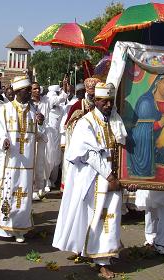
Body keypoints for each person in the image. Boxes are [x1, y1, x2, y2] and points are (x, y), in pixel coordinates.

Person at [53, 82, 134, 279]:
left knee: (110, 218)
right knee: (97, 218)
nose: (107, 105)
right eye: (104, 101)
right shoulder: (86, 122)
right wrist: (109, 176)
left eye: (110, 101)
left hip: (113, 177)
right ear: (96, 101)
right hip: (95, 179)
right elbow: (90, 154)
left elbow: (122, 146)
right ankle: (101, 260)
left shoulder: (115, 120)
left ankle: (103, 254)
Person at [0, 76, 45, 243]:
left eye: (30, 90)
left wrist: (41, 123)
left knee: (23, 195)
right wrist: (3, 140)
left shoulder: (34, 111)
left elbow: (41, 136)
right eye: (26, 90)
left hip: (27, 163)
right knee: (7, 192)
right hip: (9, 161)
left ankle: (21, 227)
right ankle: (4, 228)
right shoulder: (4, 109)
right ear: (16, 91)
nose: (30, 93)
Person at [45, 83, 68, 191]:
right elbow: (61, 98)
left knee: (56, 160)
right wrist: (65, 89)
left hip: (57, 136)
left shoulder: (60, 109)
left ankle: (53, 181)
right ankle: (46, 182)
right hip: (48, 135)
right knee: (48, 159)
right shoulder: (49, 100)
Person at [31, 82, 50, 200]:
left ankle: (40, 188)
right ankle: (32, 188)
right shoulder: (28, 104)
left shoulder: (45, 101)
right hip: (30, 137)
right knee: (31, 163)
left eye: (38, 88)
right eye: (34, 89)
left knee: (40, 163)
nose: (37, 91)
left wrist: (41, 122)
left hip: (42, 136)